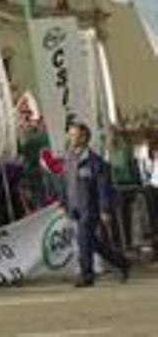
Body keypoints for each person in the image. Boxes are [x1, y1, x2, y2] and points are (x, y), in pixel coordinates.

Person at [65, 121, 132, 287]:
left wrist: (105, 210)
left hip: (91, 208)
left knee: (83, 240)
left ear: (85, 138)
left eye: (75, 135)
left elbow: (103, 188)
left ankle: (87, 276)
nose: (72, 138)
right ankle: (122, 262)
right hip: (75, 207)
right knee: (92, 243)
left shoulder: (96, 162)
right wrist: (64, 202)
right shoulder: (70, 159)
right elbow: (67, 183)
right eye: (71, 135)